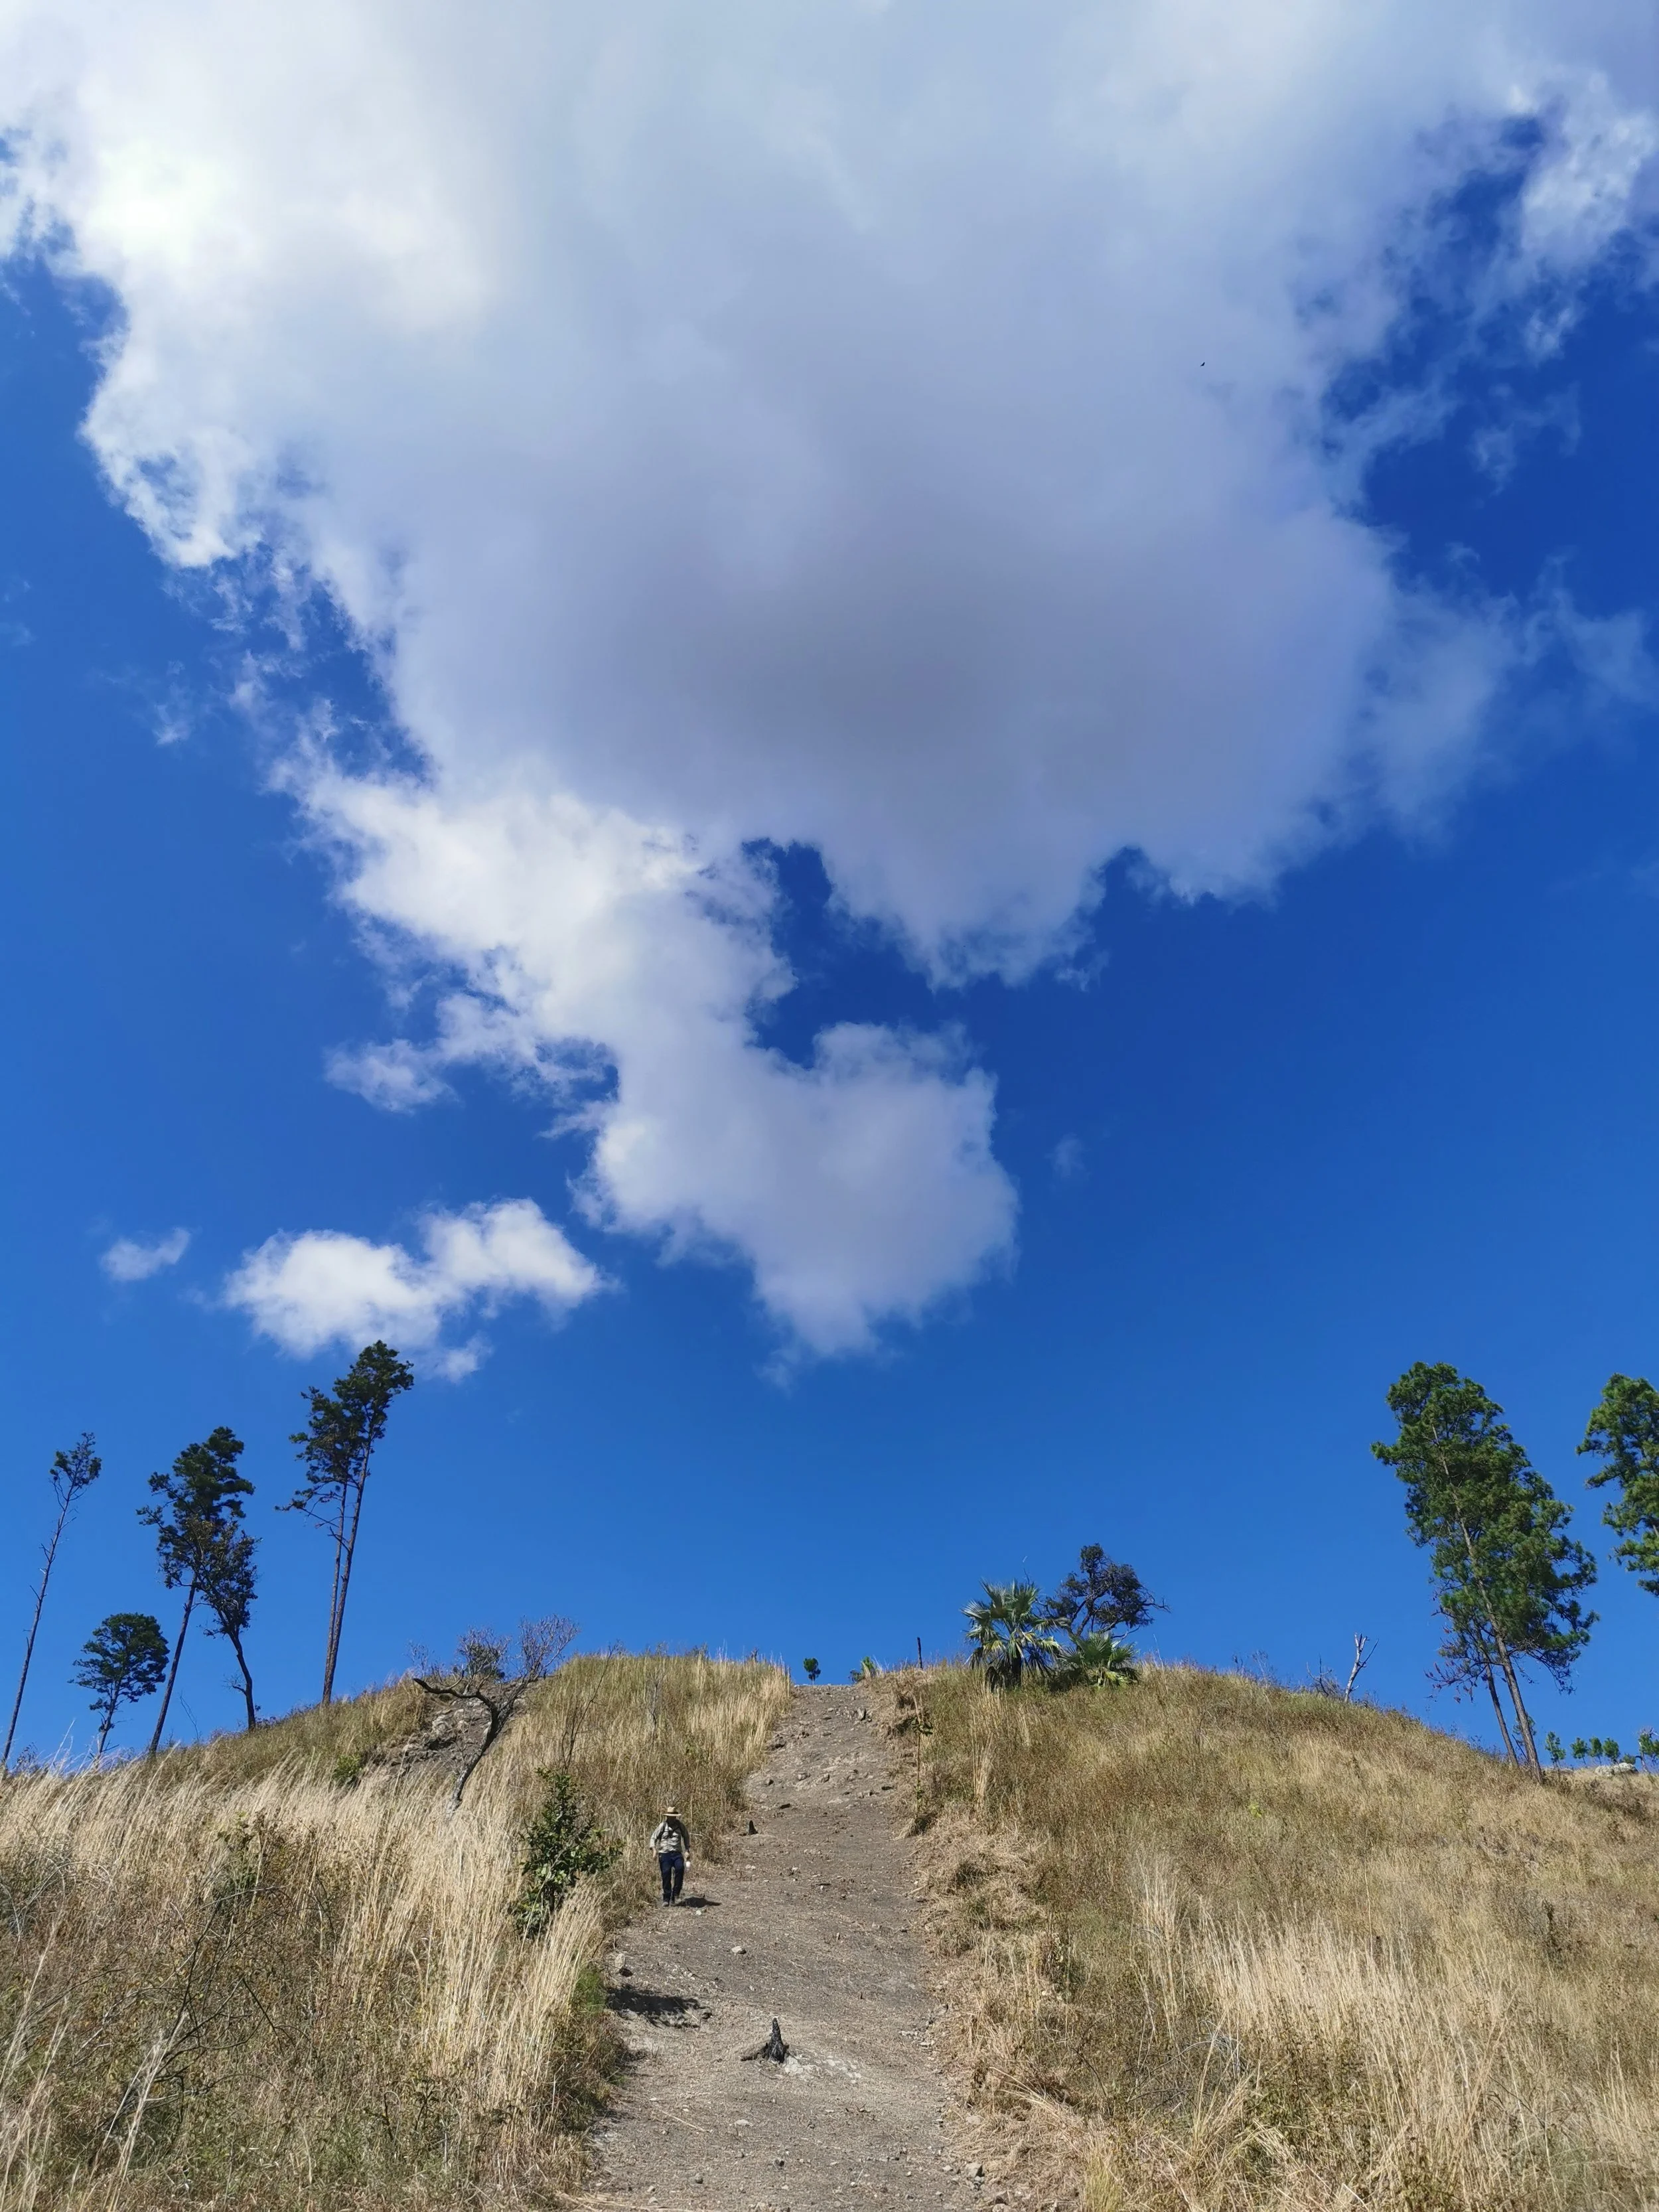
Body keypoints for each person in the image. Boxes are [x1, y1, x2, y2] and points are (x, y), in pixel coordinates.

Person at [650, 1805, 691, 1904]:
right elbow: (653, 1838)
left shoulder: (680, 1826)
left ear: (676, 1816)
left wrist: (687, 1850)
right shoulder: (662, 1826)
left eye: (673, 1816)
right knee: (666, 1874)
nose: (671, 1818)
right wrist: (654, 1849)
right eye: (669, 1816)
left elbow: (686, 1837)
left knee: (680, 1869)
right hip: (665, 1853)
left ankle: (676, 1895)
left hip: (677, 1853)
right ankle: (666, 1898)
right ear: (667, 1817)